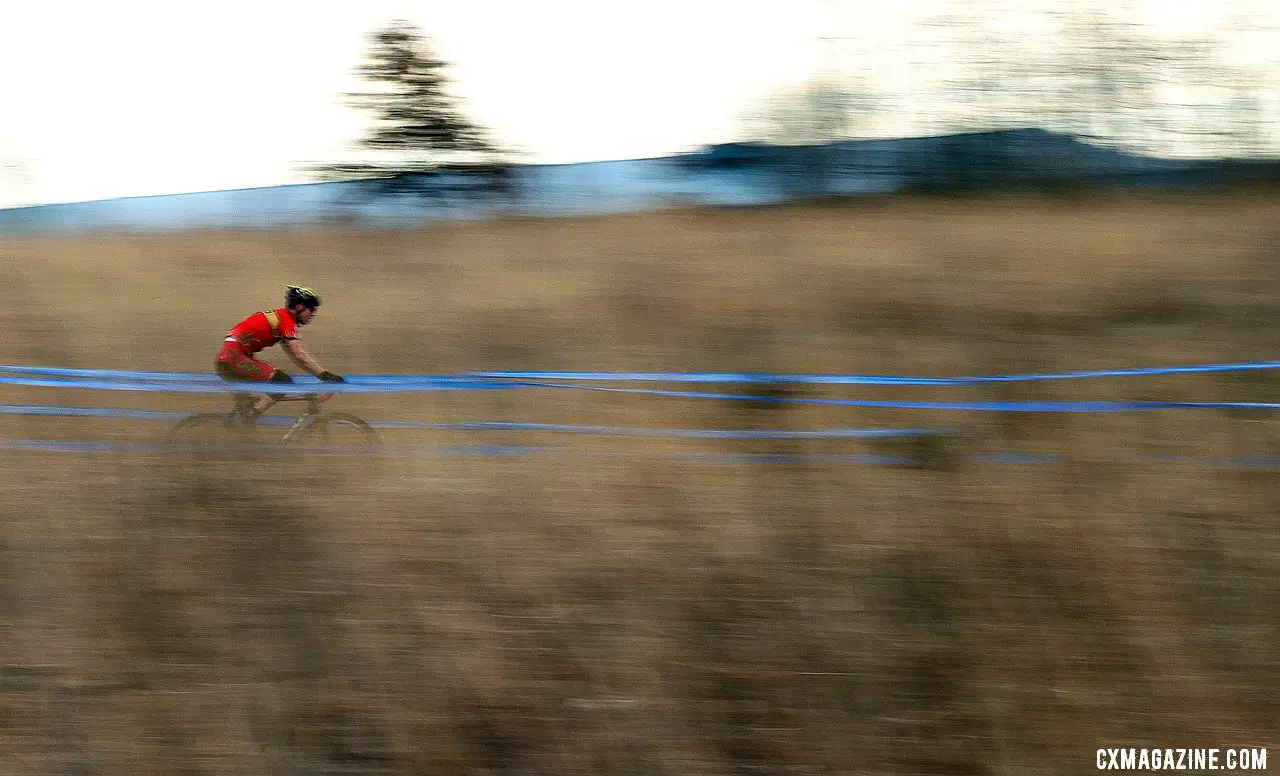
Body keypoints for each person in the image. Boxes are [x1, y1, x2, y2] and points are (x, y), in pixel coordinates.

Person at [215, 285, 346, 423]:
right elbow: (299, 355)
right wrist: (326, 375)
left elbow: (297, 358)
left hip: (230, 359)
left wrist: (322, 375)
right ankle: (250, 417)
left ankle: (245, 427)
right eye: (311, 309)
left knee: (251, 406)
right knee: (282, 381)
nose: (313, 314)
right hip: (233, 358)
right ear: (299, 307)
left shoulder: (279, 319)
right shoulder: (285, 320)